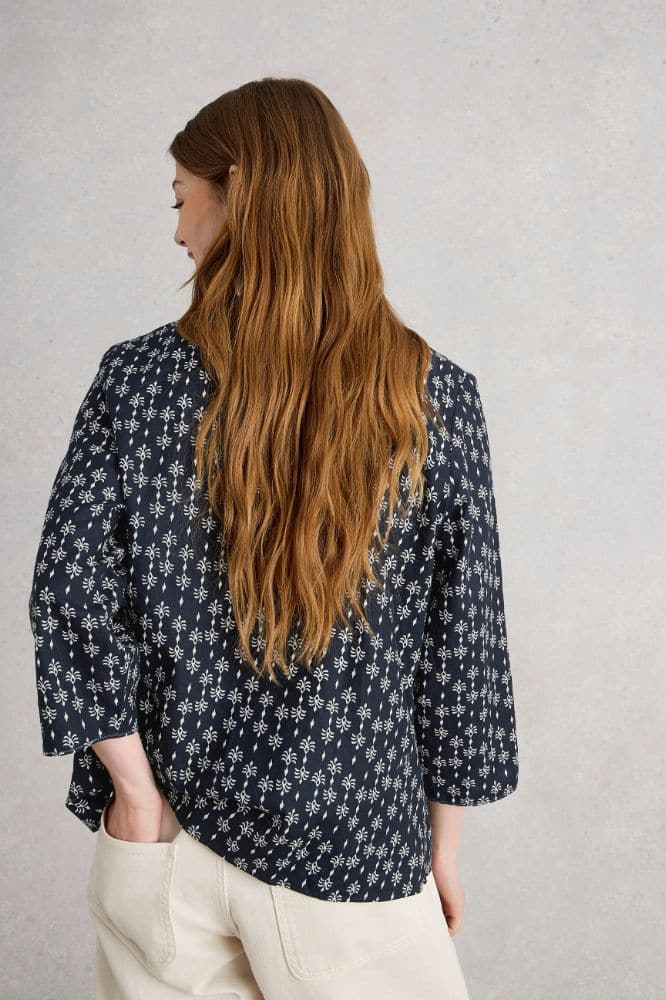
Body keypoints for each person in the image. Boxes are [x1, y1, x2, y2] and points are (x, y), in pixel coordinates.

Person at [28, 77, 519, 1000]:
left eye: (182, 199)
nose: (179, 231)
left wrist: (136, 795)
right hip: (353, 846)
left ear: (239, 189)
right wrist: (442, 846)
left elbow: (72, 597)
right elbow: (464, 650)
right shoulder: (434, 397)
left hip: (165, 840)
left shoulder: (136, 382)